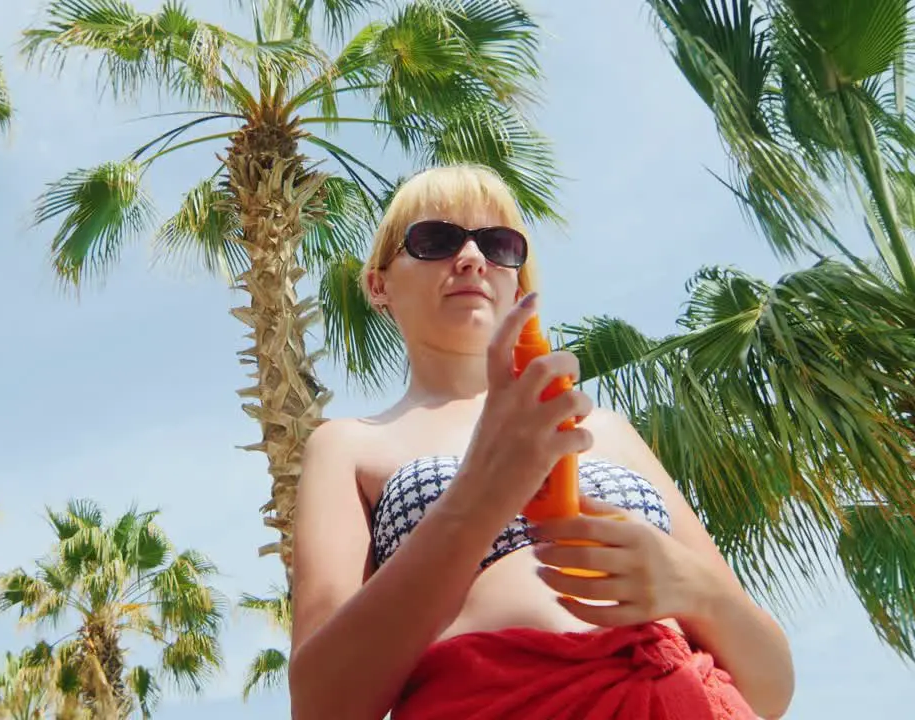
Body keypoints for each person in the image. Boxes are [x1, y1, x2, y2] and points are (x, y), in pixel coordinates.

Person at [288, 164, 795, 720]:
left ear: (519, 285)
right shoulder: (349, 445)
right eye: (435, 240)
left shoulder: (607, 429)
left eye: (499, 245)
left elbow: (770, 687)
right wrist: (479, 498)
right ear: (378, 284)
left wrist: (695, 590)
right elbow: (322, 705)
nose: (472, 258)